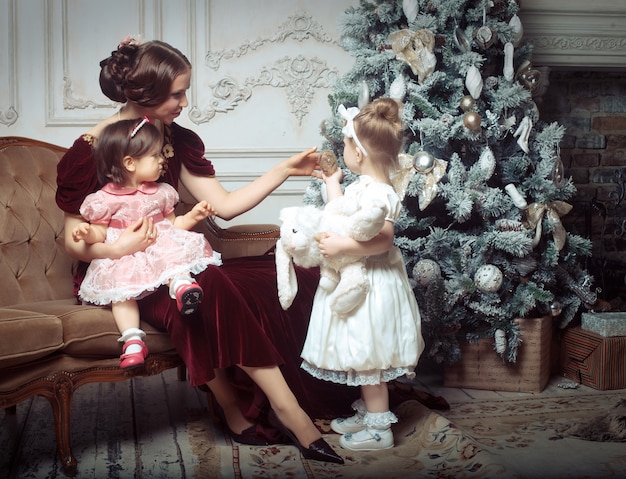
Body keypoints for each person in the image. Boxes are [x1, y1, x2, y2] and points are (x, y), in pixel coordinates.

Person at [56, 37, 349, 464]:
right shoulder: (91, 149)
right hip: (117, 273)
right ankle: (282, 414)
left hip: (173, 259)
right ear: (144, 93)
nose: (184, 102)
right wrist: (123, 248)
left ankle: (247, 409)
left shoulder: (176, 140)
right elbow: (74, 242)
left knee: (283, 277)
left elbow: (225, 206)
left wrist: (284, 169)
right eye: (177, 93)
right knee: (207, 288)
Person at [300, 98, 425, 451]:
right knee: (358, 347)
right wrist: (332, 182)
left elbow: (383, 241)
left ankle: (379, 429)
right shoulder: (360, 186)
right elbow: (341, 212)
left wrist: (341, 248)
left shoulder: (382, 193)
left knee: (369, 354)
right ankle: (370, 410)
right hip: (357, 281)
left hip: (373, 284)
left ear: (359, 151)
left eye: (345, 145)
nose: (343, 151)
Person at [72, 117, 221, 369]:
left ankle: (183, 287)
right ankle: (132, 340)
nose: (163, 160)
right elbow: (99, 233)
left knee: (173, 254)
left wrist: (193, 216)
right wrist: (86, 233)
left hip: (159, 246)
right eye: (155, 156)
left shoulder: (161, 192)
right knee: (122, 295)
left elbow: (173, 225)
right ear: (130, 163)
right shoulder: (104, 199)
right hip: (125, 257)